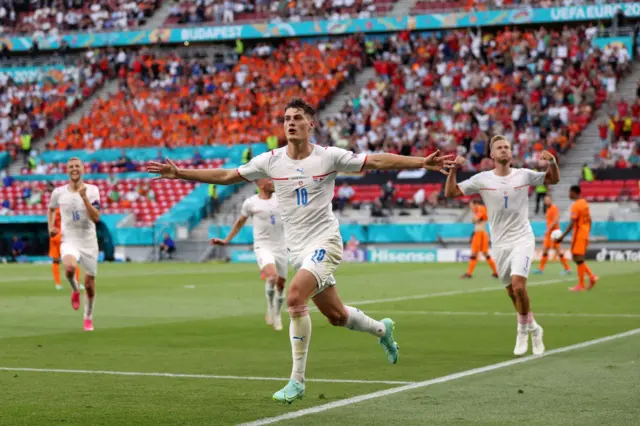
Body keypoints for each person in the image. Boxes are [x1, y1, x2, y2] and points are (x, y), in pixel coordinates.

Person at [148, 98, 451, 404]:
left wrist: (421, 162)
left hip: (325, 242)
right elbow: (227, 176)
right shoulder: (271, 161)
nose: (290, 123)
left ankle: (297, 381)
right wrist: (181, 173)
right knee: (336, 315)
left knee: (294, 297)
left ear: (311, 124)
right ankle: (381, 330)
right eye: (286, 118)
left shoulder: (329, 157)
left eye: (297, 118)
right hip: (297, 250)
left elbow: (375, 161)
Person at [444, 135, 559, 356]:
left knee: (518, 286)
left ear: (511, 152)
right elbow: (451, 192)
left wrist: (552, 162)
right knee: (511, 292)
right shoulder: (483, 179)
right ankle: (534, 328)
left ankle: (522, 330)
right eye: (500, 147)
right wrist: (452, 170)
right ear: (492, 155)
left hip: (522, 239)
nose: (504, 150)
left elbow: (552, 180)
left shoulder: (524, 174)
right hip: (499, 243)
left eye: (507, 147)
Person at [211, 178, 288, 331]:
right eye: (270, 181)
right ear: (260, 184)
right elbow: (239, 222)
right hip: (263, 246)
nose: (273, 183)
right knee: (272, 276)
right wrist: (226, 240)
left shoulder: (282, 199)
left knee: (281, 285)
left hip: (281, 247)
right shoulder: (251, 203)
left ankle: (278, 313)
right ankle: (271, 310)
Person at [48, 157, 101, 332]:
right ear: (67, 170)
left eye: (77, 166)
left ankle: (88, 316)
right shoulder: (58, 192)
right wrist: (51, 226)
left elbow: (96, 218)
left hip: (89, 241)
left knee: (90, 285)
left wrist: (84, 198)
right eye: (71, 167)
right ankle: (75, 290)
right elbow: (50, 208)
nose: (74, 169)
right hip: (69, 239)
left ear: (83, 169)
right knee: (69, 269)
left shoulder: (93, 190)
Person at [555, 186, 598, 291]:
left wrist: (561, 237)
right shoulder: (584, 203)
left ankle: (581, 284)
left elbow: (572, 223)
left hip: (578, 235)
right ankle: (591, 277)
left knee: (577, 258)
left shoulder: (576, 205)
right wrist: (587, 232)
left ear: (574, 193)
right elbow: (590, 219)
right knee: (578, 258)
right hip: (584, 234)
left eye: (569, 192)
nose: (569, 195)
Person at [461, 199, 498, 279]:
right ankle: (496, 272)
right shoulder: (479, 210)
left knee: (475, 253)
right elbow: (476, 221)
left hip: (479, 234)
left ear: (475, 203)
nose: (470, 207)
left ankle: (469, 273)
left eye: (471, 204)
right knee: (484, 253)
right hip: (481, 233)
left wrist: (474, 219)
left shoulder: (481, 208)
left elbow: (475, 220)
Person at [534, 195, 571, 275]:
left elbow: (555, 221)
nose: (546, 201)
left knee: (558, 251)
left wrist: (548, 229)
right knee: (545, 250)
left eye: (547, 200)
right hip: (549, 235)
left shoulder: (554, 208)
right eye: (545, 200)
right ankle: (540, 269)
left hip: (554, 234)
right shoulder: (548, 209)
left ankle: (567, 269)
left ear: (551, 200)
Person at [49, 207, 81, 291]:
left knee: (72, 260)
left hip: (66, 236)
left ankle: (75, 282)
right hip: (57, 236)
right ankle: (58, 283)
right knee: (56, 260)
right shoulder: (57, 208)